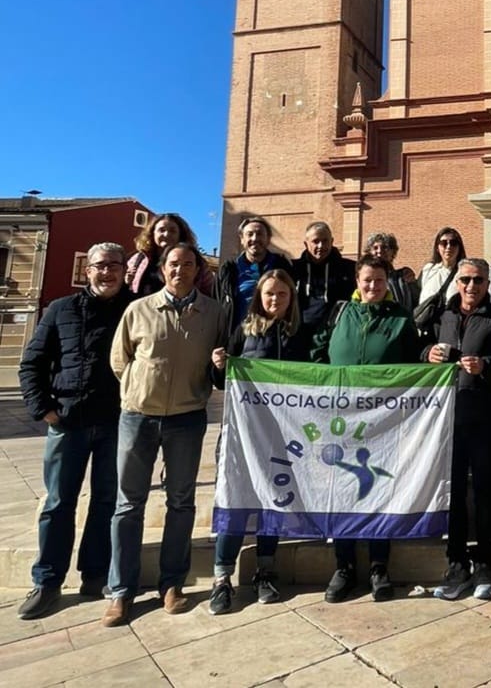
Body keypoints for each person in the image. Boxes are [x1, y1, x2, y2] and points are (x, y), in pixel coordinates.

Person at [102, 244, 224, 626]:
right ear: (162, 268)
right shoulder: (138, 309)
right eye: (174, 263)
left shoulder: (214, 313)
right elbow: (119, 360)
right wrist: (140, 390)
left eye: (188, 264)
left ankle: (172, 584)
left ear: (197, 270)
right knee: (128, 504)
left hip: (187, 418)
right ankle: (121, 590)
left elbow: (218, 363)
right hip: (138, 417)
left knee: (181, 502)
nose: (180, 270)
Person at [16, 242, 134, 619]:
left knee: (106, 501)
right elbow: (31, 363)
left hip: (117, 421)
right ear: (88, 270)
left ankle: (95, 574)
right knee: (57, 503)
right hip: (68, 421)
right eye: (100, 265)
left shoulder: (136, 309)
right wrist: (44, 409)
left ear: (125, 271)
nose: (107, 272)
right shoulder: (60, 309)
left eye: (114, 265)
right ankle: (47, 581)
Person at [312, 255, 421, 603]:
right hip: (341, 420)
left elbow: (414, 365)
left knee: (378, 489)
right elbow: (317, 352)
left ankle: (378, 566)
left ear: (388, 282)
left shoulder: (401, 319)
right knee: (343, 489)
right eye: (367, 280)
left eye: (379, 280)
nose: (373, 286)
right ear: (357, 281)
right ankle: (343, 566)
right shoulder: (340, 313)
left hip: (383, 423)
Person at [208, 269, 310, 613]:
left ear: (291, 297)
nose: (275, 300)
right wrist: (218, 365)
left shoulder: (300, 334)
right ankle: (222, 578)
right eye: (269, 294)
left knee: (273, 501)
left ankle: (265, 571)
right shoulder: (244, 330)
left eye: (282, 294)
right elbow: (222, 381)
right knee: (235, 500)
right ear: (258, 297)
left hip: (282, 436)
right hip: (243, 435)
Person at [423, 257, 491, 600]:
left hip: (485, 419)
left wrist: (485, 365)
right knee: (453, 493)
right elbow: (419, 350)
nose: (471, 286)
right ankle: (456, 563)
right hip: (447, 419)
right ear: (456, 282)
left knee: (485, 492)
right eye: (465, 280)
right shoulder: (442, 316)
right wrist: (427, 353)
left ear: (487, 284)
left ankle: (485, 564)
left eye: (478, 280)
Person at [216, 216, 293, 330]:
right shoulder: (228, 270)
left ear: (268, 239)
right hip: (237, 336)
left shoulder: (282, 266)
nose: (255, 238)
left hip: (274, 334)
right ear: (242, 239)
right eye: (250, 234)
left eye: (260, 234)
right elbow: (216, 305)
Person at [292, 220, 355, 342]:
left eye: (325, 241)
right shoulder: (294, 269)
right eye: (315, 241)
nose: (321, 246)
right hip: (299, 335)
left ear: (332, 242)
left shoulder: (349, 269)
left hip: (336, 334)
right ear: (306, 244)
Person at [126, 212, 214, 297]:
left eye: (172, 231)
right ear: (152, 233)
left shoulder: (197, 262)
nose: (166, 234)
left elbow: (211, 292)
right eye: (161, 230)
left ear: (180, 235)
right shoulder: (138, 259)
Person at [415, 227, 465, 335]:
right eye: (444, 243)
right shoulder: (428, 270)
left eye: (453, 243)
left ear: (459, 247)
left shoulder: (464, 273)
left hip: (451, 328)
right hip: (425, 328)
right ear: (437, 247)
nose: (448, 247)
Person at [365, 231, 419, 310]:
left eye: (384, 247)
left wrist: (412, 282)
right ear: (369, 252)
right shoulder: (365, 278)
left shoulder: (404, 276)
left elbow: (417, 299)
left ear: (393, 252)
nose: (379, 251)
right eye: (375, 248)